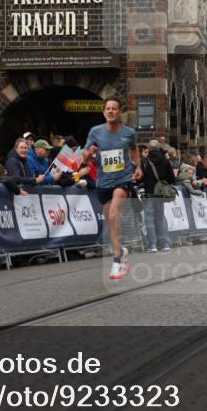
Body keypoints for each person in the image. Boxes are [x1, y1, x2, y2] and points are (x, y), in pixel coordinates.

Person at [83, 95, 140, 279]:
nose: (110, 111)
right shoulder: (95, 132)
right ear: (103, 112)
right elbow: (85, 157)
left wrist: (137, 166)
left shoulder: (129, 132)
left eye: (114, 108)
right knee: (110, 219)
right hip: (103, 181)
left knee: (115, 214)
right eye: (107, 108)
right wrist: (89, 154)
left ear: (119, 112)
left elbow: (133, 149)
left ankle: (117, 260)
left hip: (122, 179)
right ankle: (121, 250)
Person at [140, 139, 174, 253]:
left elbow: (141, 177)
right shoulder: (165, 160)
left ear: (148, 149)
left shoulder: (145, 161)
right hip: (160, 193)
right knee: (160, 216)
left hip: (149, 191)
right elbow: (172, 179)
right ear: (158, 147)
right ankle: (165, 243)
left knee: (149, 218)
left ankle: (152, 245)